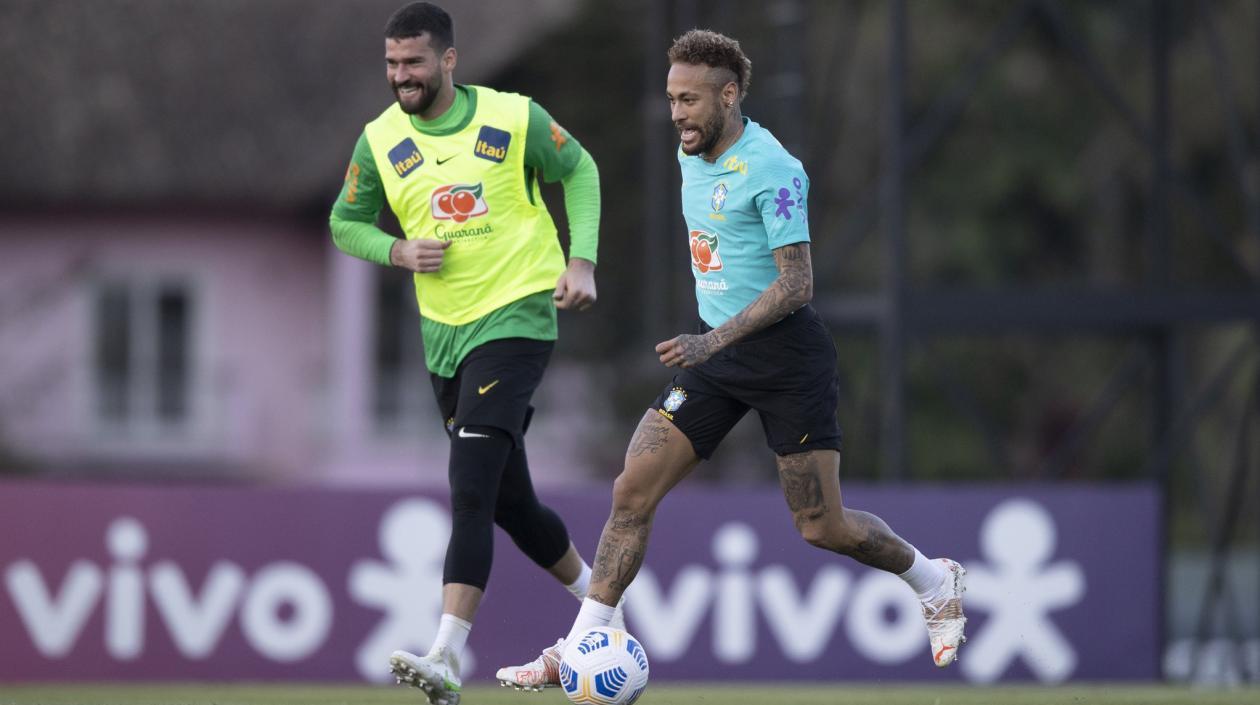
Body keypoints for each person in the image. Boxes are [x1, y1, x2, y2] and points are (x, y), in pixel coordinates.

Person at [496, 29, 966, 690]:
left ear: (730, 93)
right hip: (716, 357)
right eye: (670, 99)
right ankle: (580, 644)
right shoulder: (691, 148)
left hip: (785, 361)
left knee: (821, 525)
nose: (678, 113)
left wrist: (709, 342)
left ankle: (933, 578)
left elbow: (797, 283)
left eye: (690, 99)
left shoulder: (773, 169)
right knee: (632, 488)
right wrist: (711, 345)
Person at [329, 4, 621, 704]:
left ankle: (446, 654)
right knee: (511, 503)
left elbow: (579, 170)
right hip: (445, 339)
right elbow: (345, 222)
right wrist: (396, 248)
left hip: (518, 318)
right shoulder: (379, 141)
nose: (402, 76)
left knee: (468, 484)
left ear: (449, 61)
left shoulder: (513, 118)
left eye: (415, 63)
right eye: (393, 64)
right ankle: (605, 614)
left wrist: (580, 262)